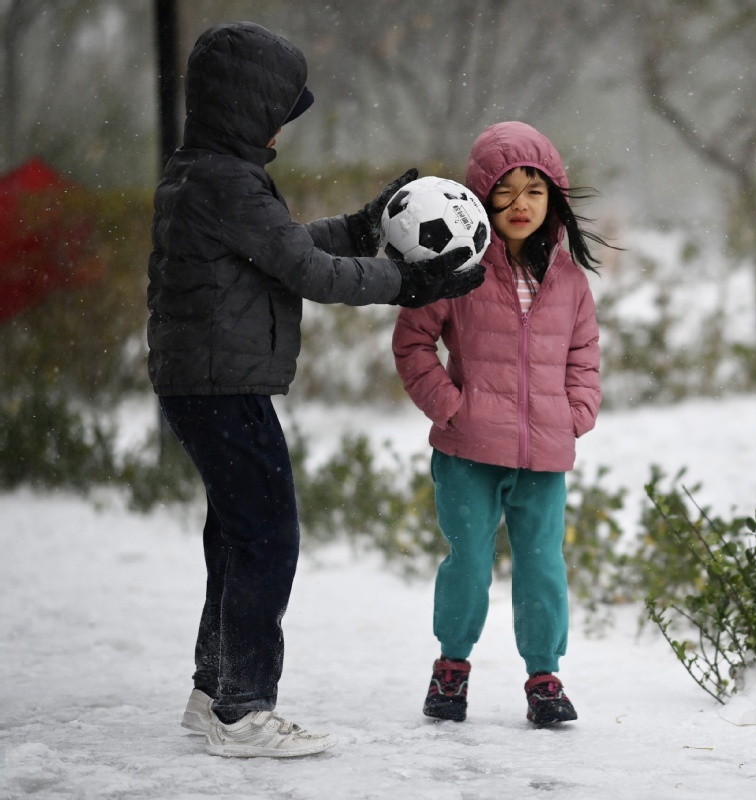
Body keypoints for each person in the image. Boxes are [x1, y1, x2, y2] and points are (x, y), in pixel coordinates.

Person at [147, 21, 484, 758]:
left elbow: (283, 246)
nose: (280, 131)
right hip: (220, 386)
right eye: (276, 115)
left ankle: (215, 691)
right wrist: (408, 281)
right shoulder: (225, 181)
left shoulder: (202, 174)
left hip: (203, 382)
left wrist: (364, 226)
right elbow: (307, 272)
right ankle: (243, 708)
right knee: (268, 537)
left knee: (236, 538)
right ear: (247, 113)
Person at [392, 121, 612, 726]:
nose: (521, 205)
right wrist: (450, 406)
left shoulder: (568, 280)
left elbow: (584, 356)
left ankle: (544, 678)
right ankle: (451, 669)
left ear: (555, 200)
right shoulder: (456, 266)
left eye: (534, 191)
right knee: (467, 561)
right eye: (506, 191)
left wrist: (575, 414)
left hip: (545, 455)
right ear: (481, 196)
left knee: (543, 565)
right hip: (468, 452)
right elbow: (413, 345)